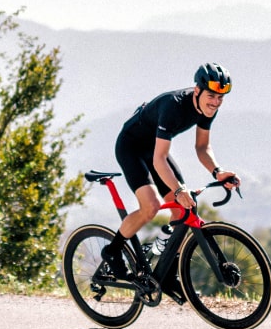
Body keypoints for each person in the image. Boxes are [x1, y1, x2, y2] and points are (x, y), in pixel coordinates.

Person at [100, 63, 240, 293]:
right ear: (197, 90)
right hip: (131, 147)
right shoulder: (173, 107)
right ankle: (112, 251)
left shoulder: (208, 108)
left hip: (155, 150)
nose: (216, 102)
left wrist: (218, 171)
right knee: (151, 207)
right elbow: (159, 160)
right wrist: (178, 191)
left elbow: (202, 147)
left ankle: (167, 275)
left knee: (182, 212)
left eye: (221, 98)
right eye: (212, 96)